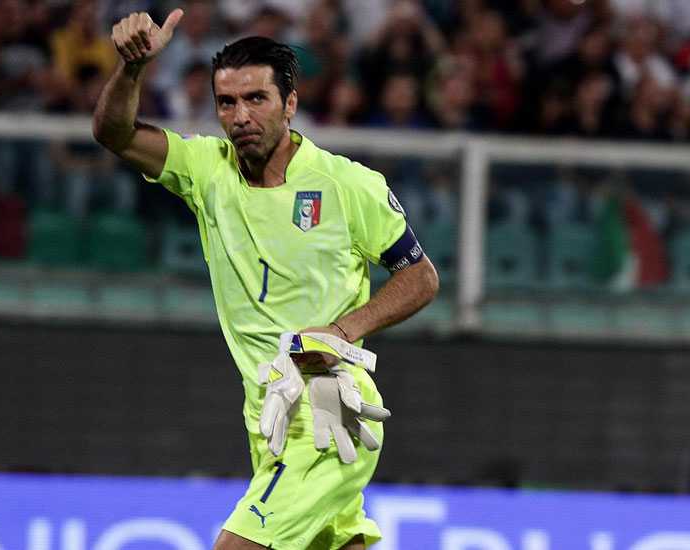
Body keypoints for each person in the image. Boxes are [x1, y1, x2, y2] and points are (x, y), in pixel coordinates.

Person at [93, 8, 439, 550]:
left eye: (257, 98)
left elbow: (420, 276)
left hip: (329, 407)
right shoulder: (205, 170)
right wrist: (133, 68)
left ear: (290, 103)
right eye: (227, 102)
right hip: (268, 415)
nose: (240, 116)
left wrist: (344, 331)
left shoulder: (348, 185)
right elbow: (113, 132)